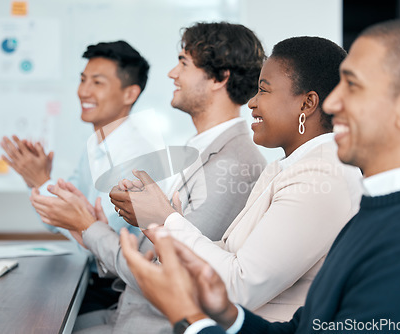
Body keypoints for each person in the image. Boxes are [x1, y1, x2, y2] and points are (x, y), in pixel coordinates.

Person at [120, 19, 400, 333]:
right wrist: (228, 315)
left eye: (354, 86)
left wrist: (165, 226)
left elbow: (241, 283)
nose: (333, 102)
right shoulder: (380, 204)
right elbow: (307, 327)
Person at [34, 22, 267, 333]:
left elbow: (165, 273)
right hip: (127, 309)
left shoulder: (235, 163)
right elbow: (151, 251)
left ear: (219, 78)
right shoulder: (197, 149)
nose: (172, 73)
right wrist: (92, 228)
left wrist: (88, 227)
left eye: (183, 62)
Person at [111, 36, 362, 323]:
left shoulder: (320, 177)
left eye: (263, 91)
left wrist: (165, 221)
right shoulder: (289, 167)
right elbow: (230, 254)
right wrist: (163, 221)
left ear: (307, 103)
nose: (252, 103)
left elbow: (239, 286)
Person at [1, 40, 154, 313]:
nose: (83, 91)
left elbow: (93, 230)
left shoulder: (134, 154)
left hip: (119, 291)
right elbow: (57, 222)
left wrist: (40, 182)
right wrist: (35, 181)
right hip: (98, 279)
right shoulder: (96, 146)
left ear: (130, 93)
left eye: (97, 82)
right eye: (83, 80)